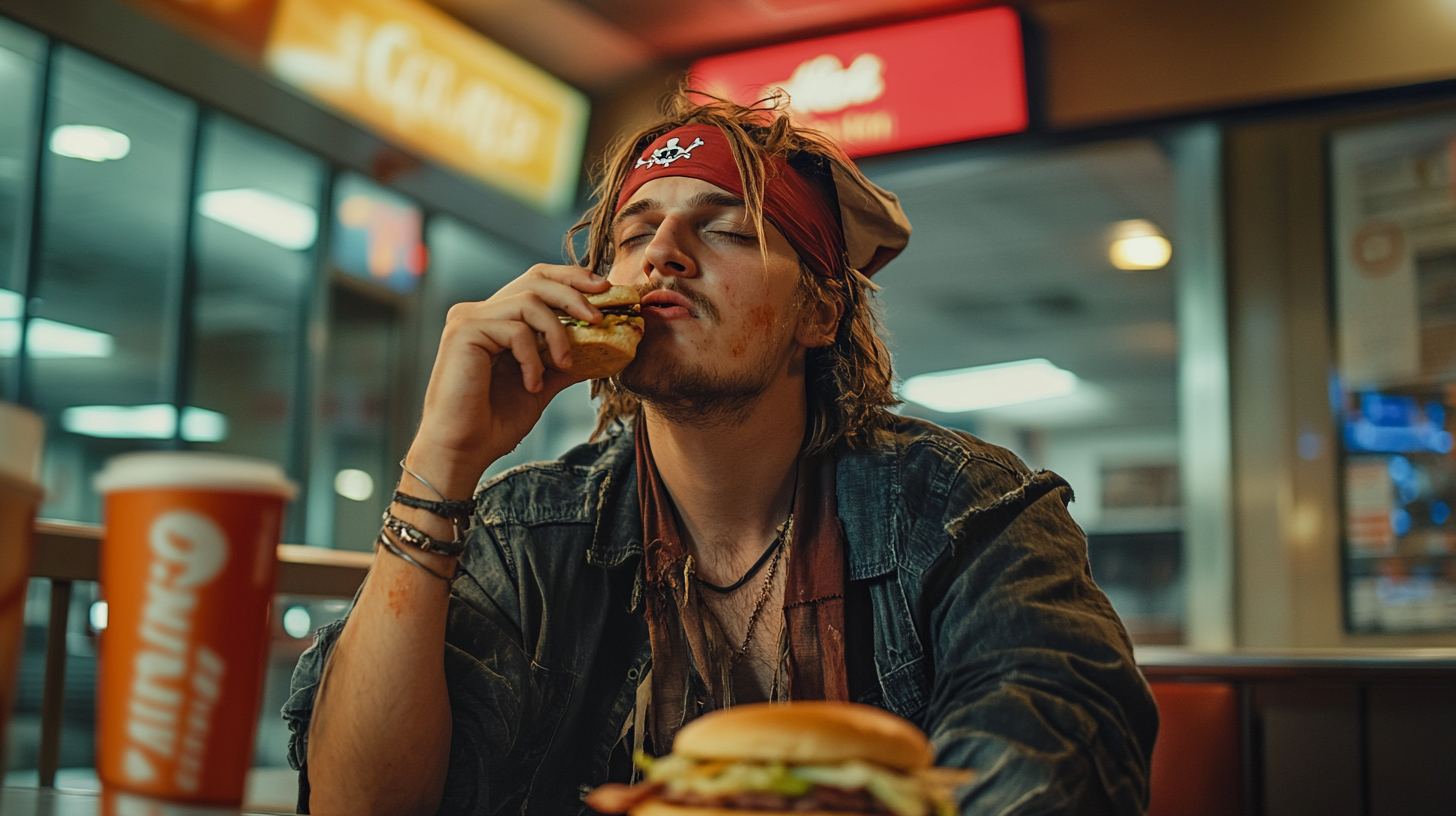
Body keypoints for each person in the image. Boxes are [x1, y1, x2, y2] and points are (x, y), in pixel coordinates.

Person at [284, 91, 1158, 816]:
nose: (663, 253)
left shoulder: (966, 509)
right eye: (635, 234)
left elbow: (1053, 761)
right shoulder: (524, 531)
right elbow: (356, 804)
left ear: (821, 315)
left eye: (729, 231)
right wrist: (441, 463)